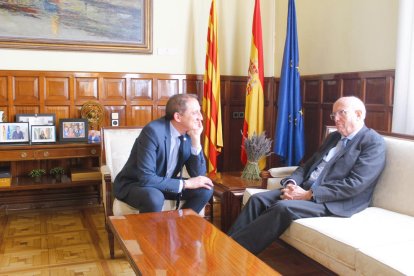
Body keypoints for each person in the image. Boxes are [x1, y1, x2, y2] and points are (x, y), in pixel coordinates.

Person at [227, 96, 386, 255]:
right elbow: (307, 166)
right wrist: (291, 183)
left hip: (334, 200)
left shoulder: (373, 142)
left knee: (282, 208)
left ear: (359, 114)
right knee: (258, 199)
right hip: (305, 188)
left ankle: (235, 254)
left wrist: (309, 195)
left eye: (341, 113)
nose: (336, 119)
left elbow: (355, 184)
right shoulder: (334, 137)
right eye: (334, 114)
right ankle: (227, 246)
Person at [113, 94, 214, 214]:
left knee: (205, 188)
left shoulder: (189, 133)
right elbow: (146, 178)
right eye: (195, 113)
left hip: (162, 182)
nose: (201, 117)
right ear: (178, 117)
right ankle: (147, 233)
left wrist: (196, 140)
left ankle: (180, 227)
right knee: (155, 197)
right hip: (135, 184)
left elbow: (199, 175)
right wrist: (186, 183)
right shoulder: (153, 132)